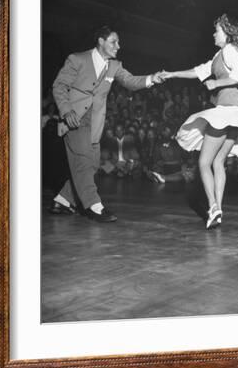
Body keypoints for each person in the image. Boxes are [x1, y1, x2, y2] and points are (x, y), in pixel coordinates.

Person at [162, 14, 238, 229]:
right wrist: (171, 74)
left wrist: (216, 84)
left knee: (204, 162)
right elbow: (198, 71)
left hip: (226, 113)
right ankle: (217, 209)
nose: (213, 34)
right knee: (217, 163)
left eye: (216, 30)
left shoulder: (229, 51)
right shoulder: (220, 55)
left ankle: (214, 207)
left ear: (226, 32)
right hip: (234, 117)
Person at [52, 26, 165, 222]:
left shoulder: (114, 66)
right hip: (74, 119)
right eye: (114, 42)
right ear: (101, 41)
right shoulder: (77, 59)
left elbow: (130, 81)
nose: (118, 46)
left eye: (118, 42)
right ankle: (94, 206)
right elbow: (59, 86)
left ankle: (62, 199)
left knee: (93, 164)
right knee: (83, 162)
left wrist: (151, 79)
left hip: (95, 123)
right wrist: (66, 110)